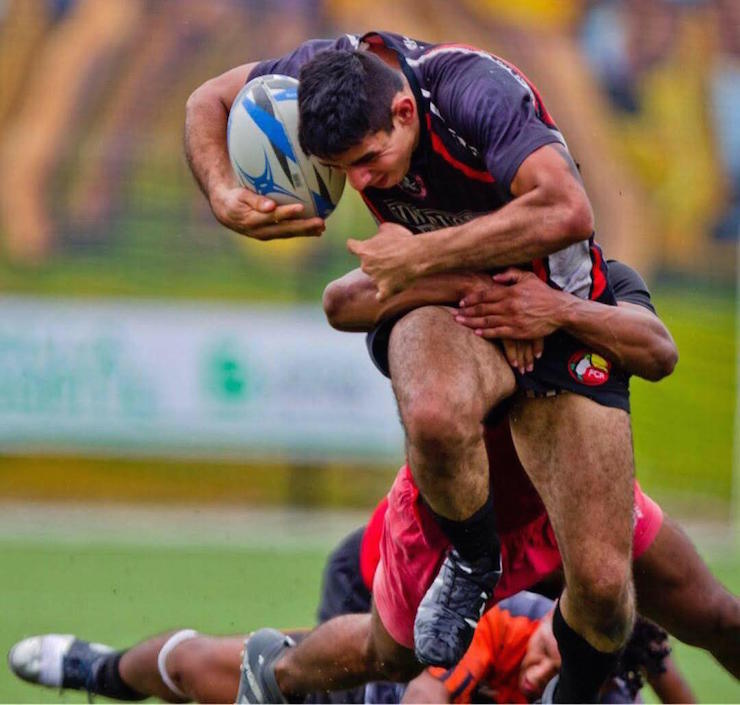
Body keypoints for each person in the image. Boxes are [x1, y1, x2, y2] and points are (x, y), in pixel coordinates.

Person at [184, 30, 650, 703]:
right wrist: (223, 193)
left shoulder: (472, 93)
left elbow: (567, 210)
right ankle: (471, 558)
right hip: (454, 303)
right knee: (431, 410)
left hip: (552, 309)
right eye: (344, 167)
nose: (362, 182)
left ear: (404, 112)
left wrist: (429, 258)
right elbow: (210, 98)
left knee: (606, 597)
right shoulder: (326, 72)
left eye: (370, 160)